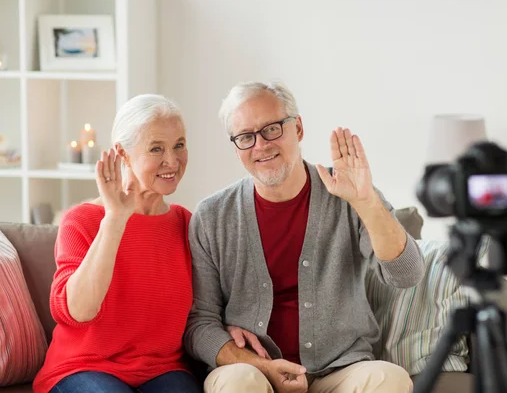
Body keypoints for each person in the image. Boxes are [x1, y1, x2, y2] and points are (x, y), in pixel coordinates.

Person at [184, 81, 426, 393]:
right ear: (236, 147)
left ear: (297, 128)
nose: (260, 145)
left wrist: (366, 203)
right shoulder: (213, 216)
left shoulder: (348, 192)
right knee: (238, 383)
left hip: (341, 369)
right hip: (252, 372)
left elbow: (408, 274)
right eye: (246, 137)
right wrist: (263, 367)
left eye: (272, 129)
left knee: (387, 379)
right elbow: (199, 324)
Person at [33, 94, 266, 393]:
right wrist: (115, 219)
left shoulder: (186, 224)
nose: (173, 160)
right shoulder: (82, 221)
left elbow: (207, 304)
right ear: (123, 154)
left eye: (179, 145)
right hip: (83, 368)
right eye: (157, 148)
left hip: (163, 370)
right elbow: (78, 311)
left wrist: (226, 328)